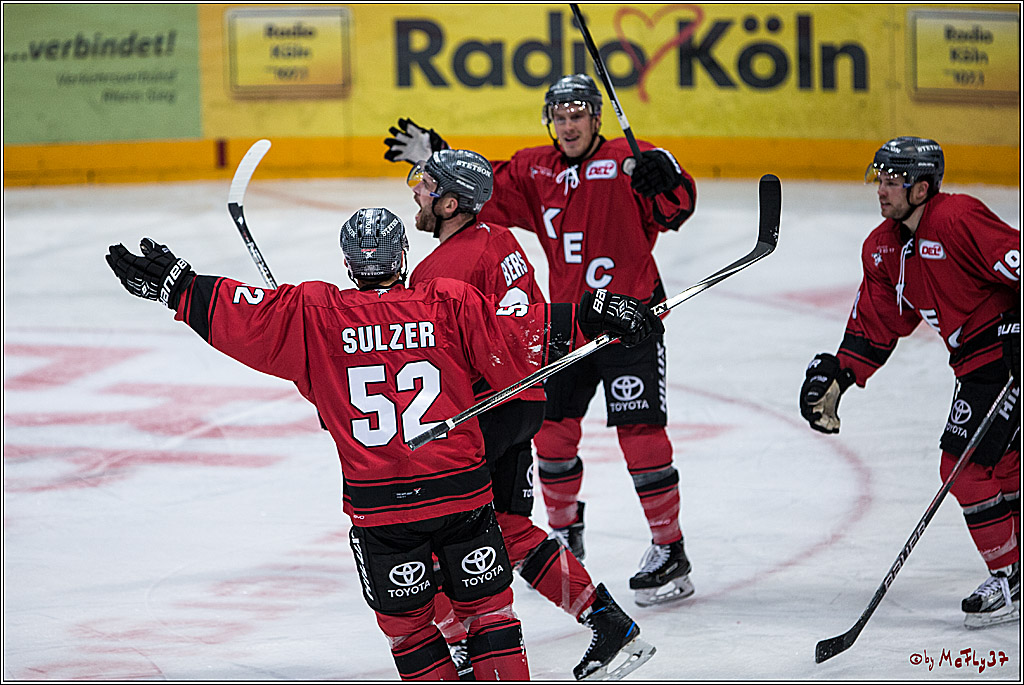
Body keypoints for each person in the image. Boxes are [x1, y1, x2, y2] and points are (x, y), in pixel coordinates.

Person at [104, 208, 662, 680]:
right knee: (490, 617)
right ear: (401, 258)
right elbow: (513, 338)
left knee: (411, 633)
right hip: (462, 495)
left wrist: (177, 284)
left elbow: (243, 316)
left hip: (383, 511)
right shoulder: (448, 302)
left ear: (348, 262)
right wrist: (591, 312)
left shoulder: (314, 315)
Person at [383, 73, 699, 608]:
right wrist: (438, 154)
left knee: (640, 434)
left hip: (630, 319)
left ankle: (670, 549)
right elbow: (480, 192)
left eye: (578, 114)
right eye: (560, 115)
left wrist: (665, 175)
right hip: (567, 328)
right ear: (549, 121)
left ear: (597, 119)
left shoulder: (630, 159)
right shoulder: (536, 169)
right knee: (552, 436)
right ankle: (564, 537)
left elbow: (677, 209)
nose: (568, 124)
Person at [406, 148, 655, 680]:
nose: (417, 194)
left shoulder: (436, 269)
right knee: (510, 526)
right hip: (522, 401)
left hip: (481, 412)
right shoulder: (502, 240)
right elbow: (527, 320)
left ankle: (466, 647)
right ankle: (607, 622)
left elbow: (450, 350)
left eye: (427, 188)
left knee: (430, 533)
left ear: (452, 203)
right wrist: (585, 315)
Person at [798, 136, 1021, 629]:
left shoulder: (958, 217)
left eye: (893, 178)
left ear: (922, 188)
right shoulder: (881, 249)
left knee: (960, 467)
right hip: (973, 366)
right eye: (879, 176)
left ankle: (1009, 576)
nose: (882, 187)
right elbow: (876, 322)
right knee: (1002, 462)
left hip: (1005, 359)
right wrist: (840, 374)